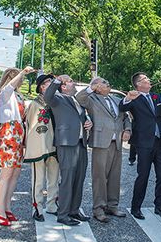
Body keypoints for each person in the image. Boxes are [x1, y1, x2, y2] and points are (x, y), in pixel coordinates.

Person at [118, 72, 161, 220]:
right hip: (144, 142)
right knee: (143, 175)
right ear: (138, 84)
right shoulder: (134, 97)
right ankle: (136, 207)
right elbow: (122, 107)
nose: (149, 80)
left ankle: (159, 206)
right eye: (145, 79)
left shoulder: (155, 97)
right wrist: (127, 98)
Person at [76, 77, 132, 223]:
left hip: (117, 142)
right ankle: (99, 209)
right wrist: (91, 87)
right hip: (101, 142)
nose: (107, 84)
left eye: (106, 83)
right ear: (97, 87)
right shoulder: (91, 99)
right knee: (99, 176)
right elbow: (79, 98)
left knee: (115, 175)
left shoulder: (115, 99)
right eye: (103, 83)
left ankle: (112, 205)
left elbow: (125, 117)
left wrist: (127, 129)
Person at [44, 74, 93, 226]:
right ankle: (63, 214)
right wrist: (57, 80)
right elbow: (47, 96)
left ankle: (74, 210)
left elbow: (80, 118)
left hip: (81, 143)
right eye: (71, 81)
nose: (74, 83)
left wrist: (88, 122)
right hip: (66, 143)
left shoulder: (76, 100)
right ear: (64, 86)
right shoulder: (57, 99)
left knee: (79, 178)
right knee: (67, 179)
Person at [0, 66, 34, 225]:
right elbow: (9, 87)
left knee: (15, 174)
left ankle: (7, 207)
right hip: (8, 135)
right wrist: (23, 72)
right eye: (19, 78)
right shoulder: (5, 93)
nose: (22, 81)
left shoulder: (17, 95)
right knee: (6, 174)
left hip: (18, 134)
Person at [24, 73, 59, 222]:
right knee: (38, 180)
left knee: (54, 179)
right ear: (41, 87)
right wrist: (33, 147)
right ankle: (36, 208)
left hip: (55, 145)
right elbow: (31, 127)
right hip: (40, 146)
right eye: (48, 83)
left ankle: (52, 205)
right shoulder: (35, 104)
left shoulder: (56, 102)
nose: (51, 85)